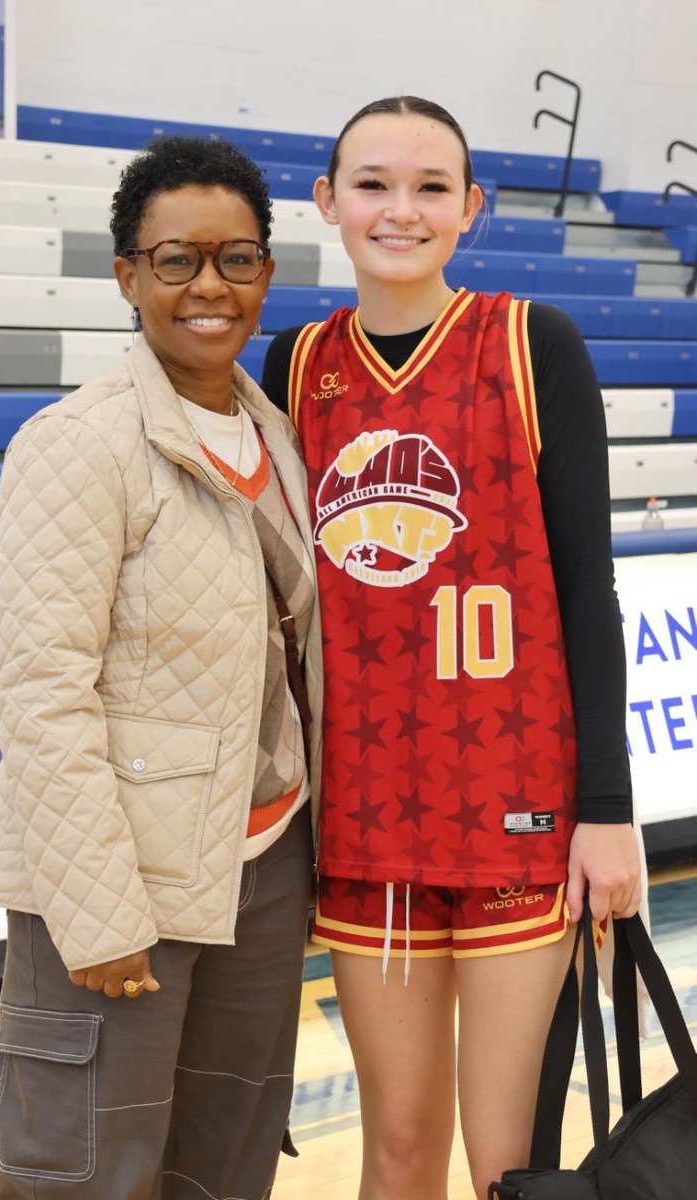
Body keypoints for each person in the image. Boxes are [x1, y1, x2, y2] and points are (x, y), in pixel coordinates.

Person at [261, 95, 642, 1200]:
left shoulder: (533, 344)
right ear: (327, 200)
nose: (401, 209)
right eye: (373, 183)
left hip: (519, 808)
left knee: (508, 1164)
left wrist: (607, 811)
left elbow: (587, 587)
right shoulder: (296, 363)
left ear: (471, 207)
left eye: (432, 188)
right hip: (366, 812)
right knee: (395, 1151)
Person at [0, 135, 322, 1200]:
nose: (208, 286)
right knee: (88, 1177)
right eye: (176, 260)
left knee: (224, 1168)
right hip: (119, 893)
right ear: (128, 275)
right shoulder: (78, 443)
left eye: (238, 258)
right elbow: (42, 691)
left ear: (267, 272)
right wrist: (98, 912)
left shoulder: (281, 435)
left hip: (259, 875)